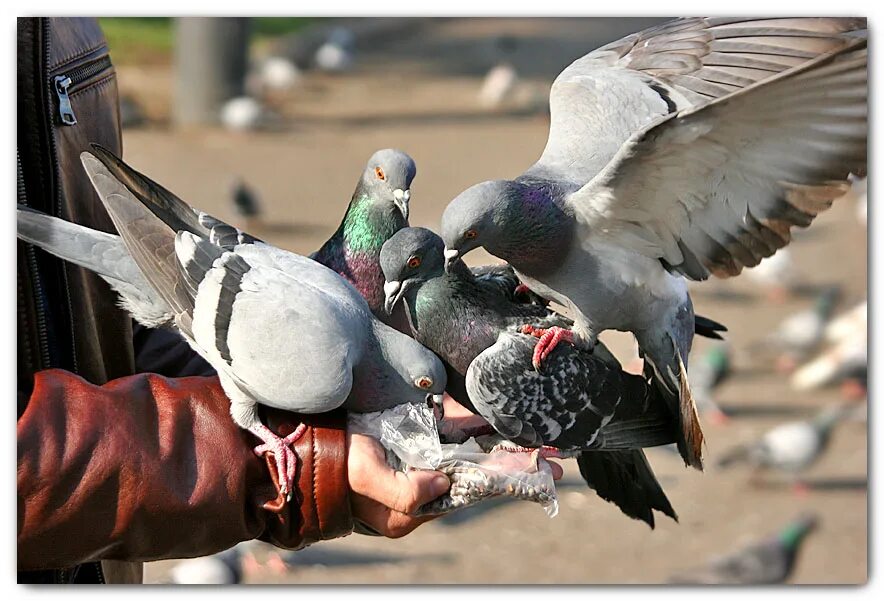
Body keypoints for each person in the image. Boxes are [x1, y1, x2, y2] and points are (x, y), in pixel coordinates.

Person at [16, 17, 450, 584]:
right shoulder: (333, 363)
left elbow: (115, 335)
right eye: (423, 392)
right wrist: (290, 468)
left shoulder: (58, 26)